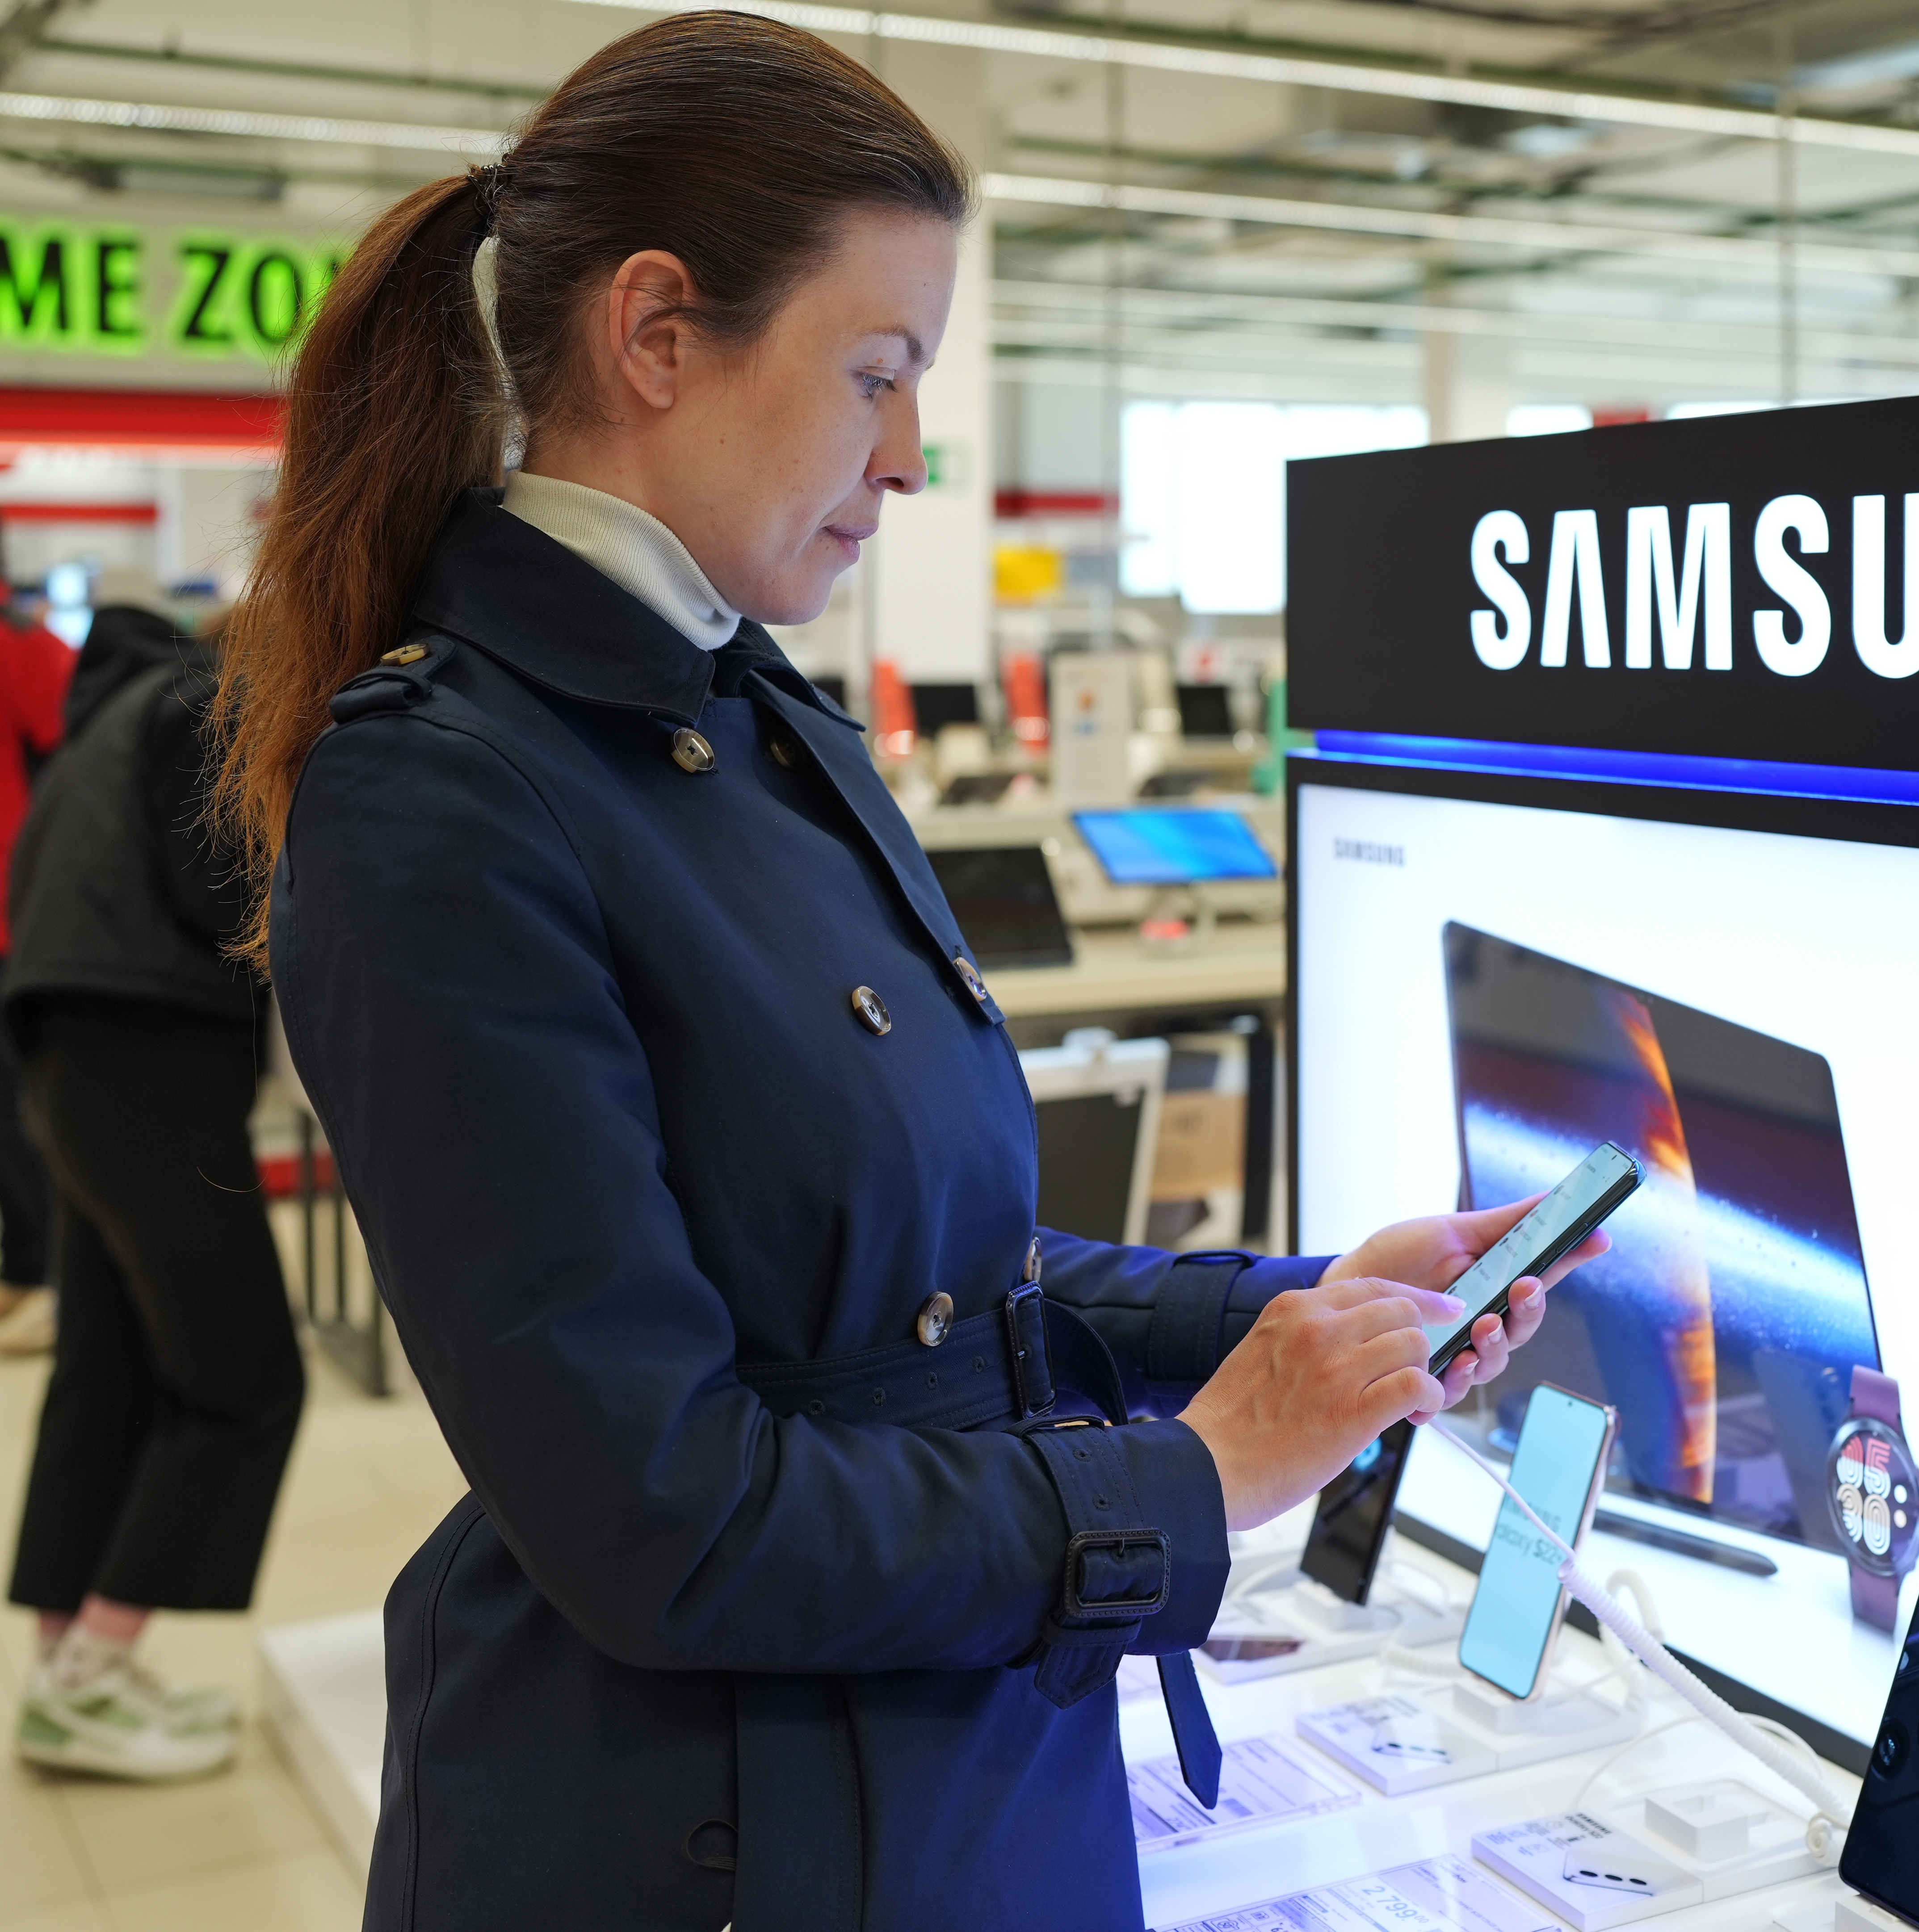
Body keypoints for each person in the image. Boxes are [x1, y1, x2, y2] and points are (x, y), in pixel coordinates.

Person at [210, 15, 1598, 1928]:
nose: (915, 453)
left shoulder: (760, 711)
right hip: (710, 1831)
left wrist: (1287, 1314)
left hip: (949, 1748)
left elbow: (914, 1280)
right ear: (658, 332)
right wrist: (1197, 1475)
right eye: (876, 373)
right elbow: (662, 1516)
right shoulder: (448, 795)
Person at [5, 602, 301, 1780]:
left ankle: (71, 1664)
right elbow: (219, 891)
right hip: (155, 1056)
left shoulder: (102, 721)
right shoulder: (198, 707)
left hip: (68, 1059)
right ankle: (93, 1667)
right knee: (247, 1381)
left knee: (108, 1368)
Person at [0, 605, 74, 1356]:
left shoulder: (21, 643)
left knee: (19, 1105)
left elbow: (62, 735)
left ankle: (52, 1276)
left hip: (13, 917)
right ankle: (25, 1264)